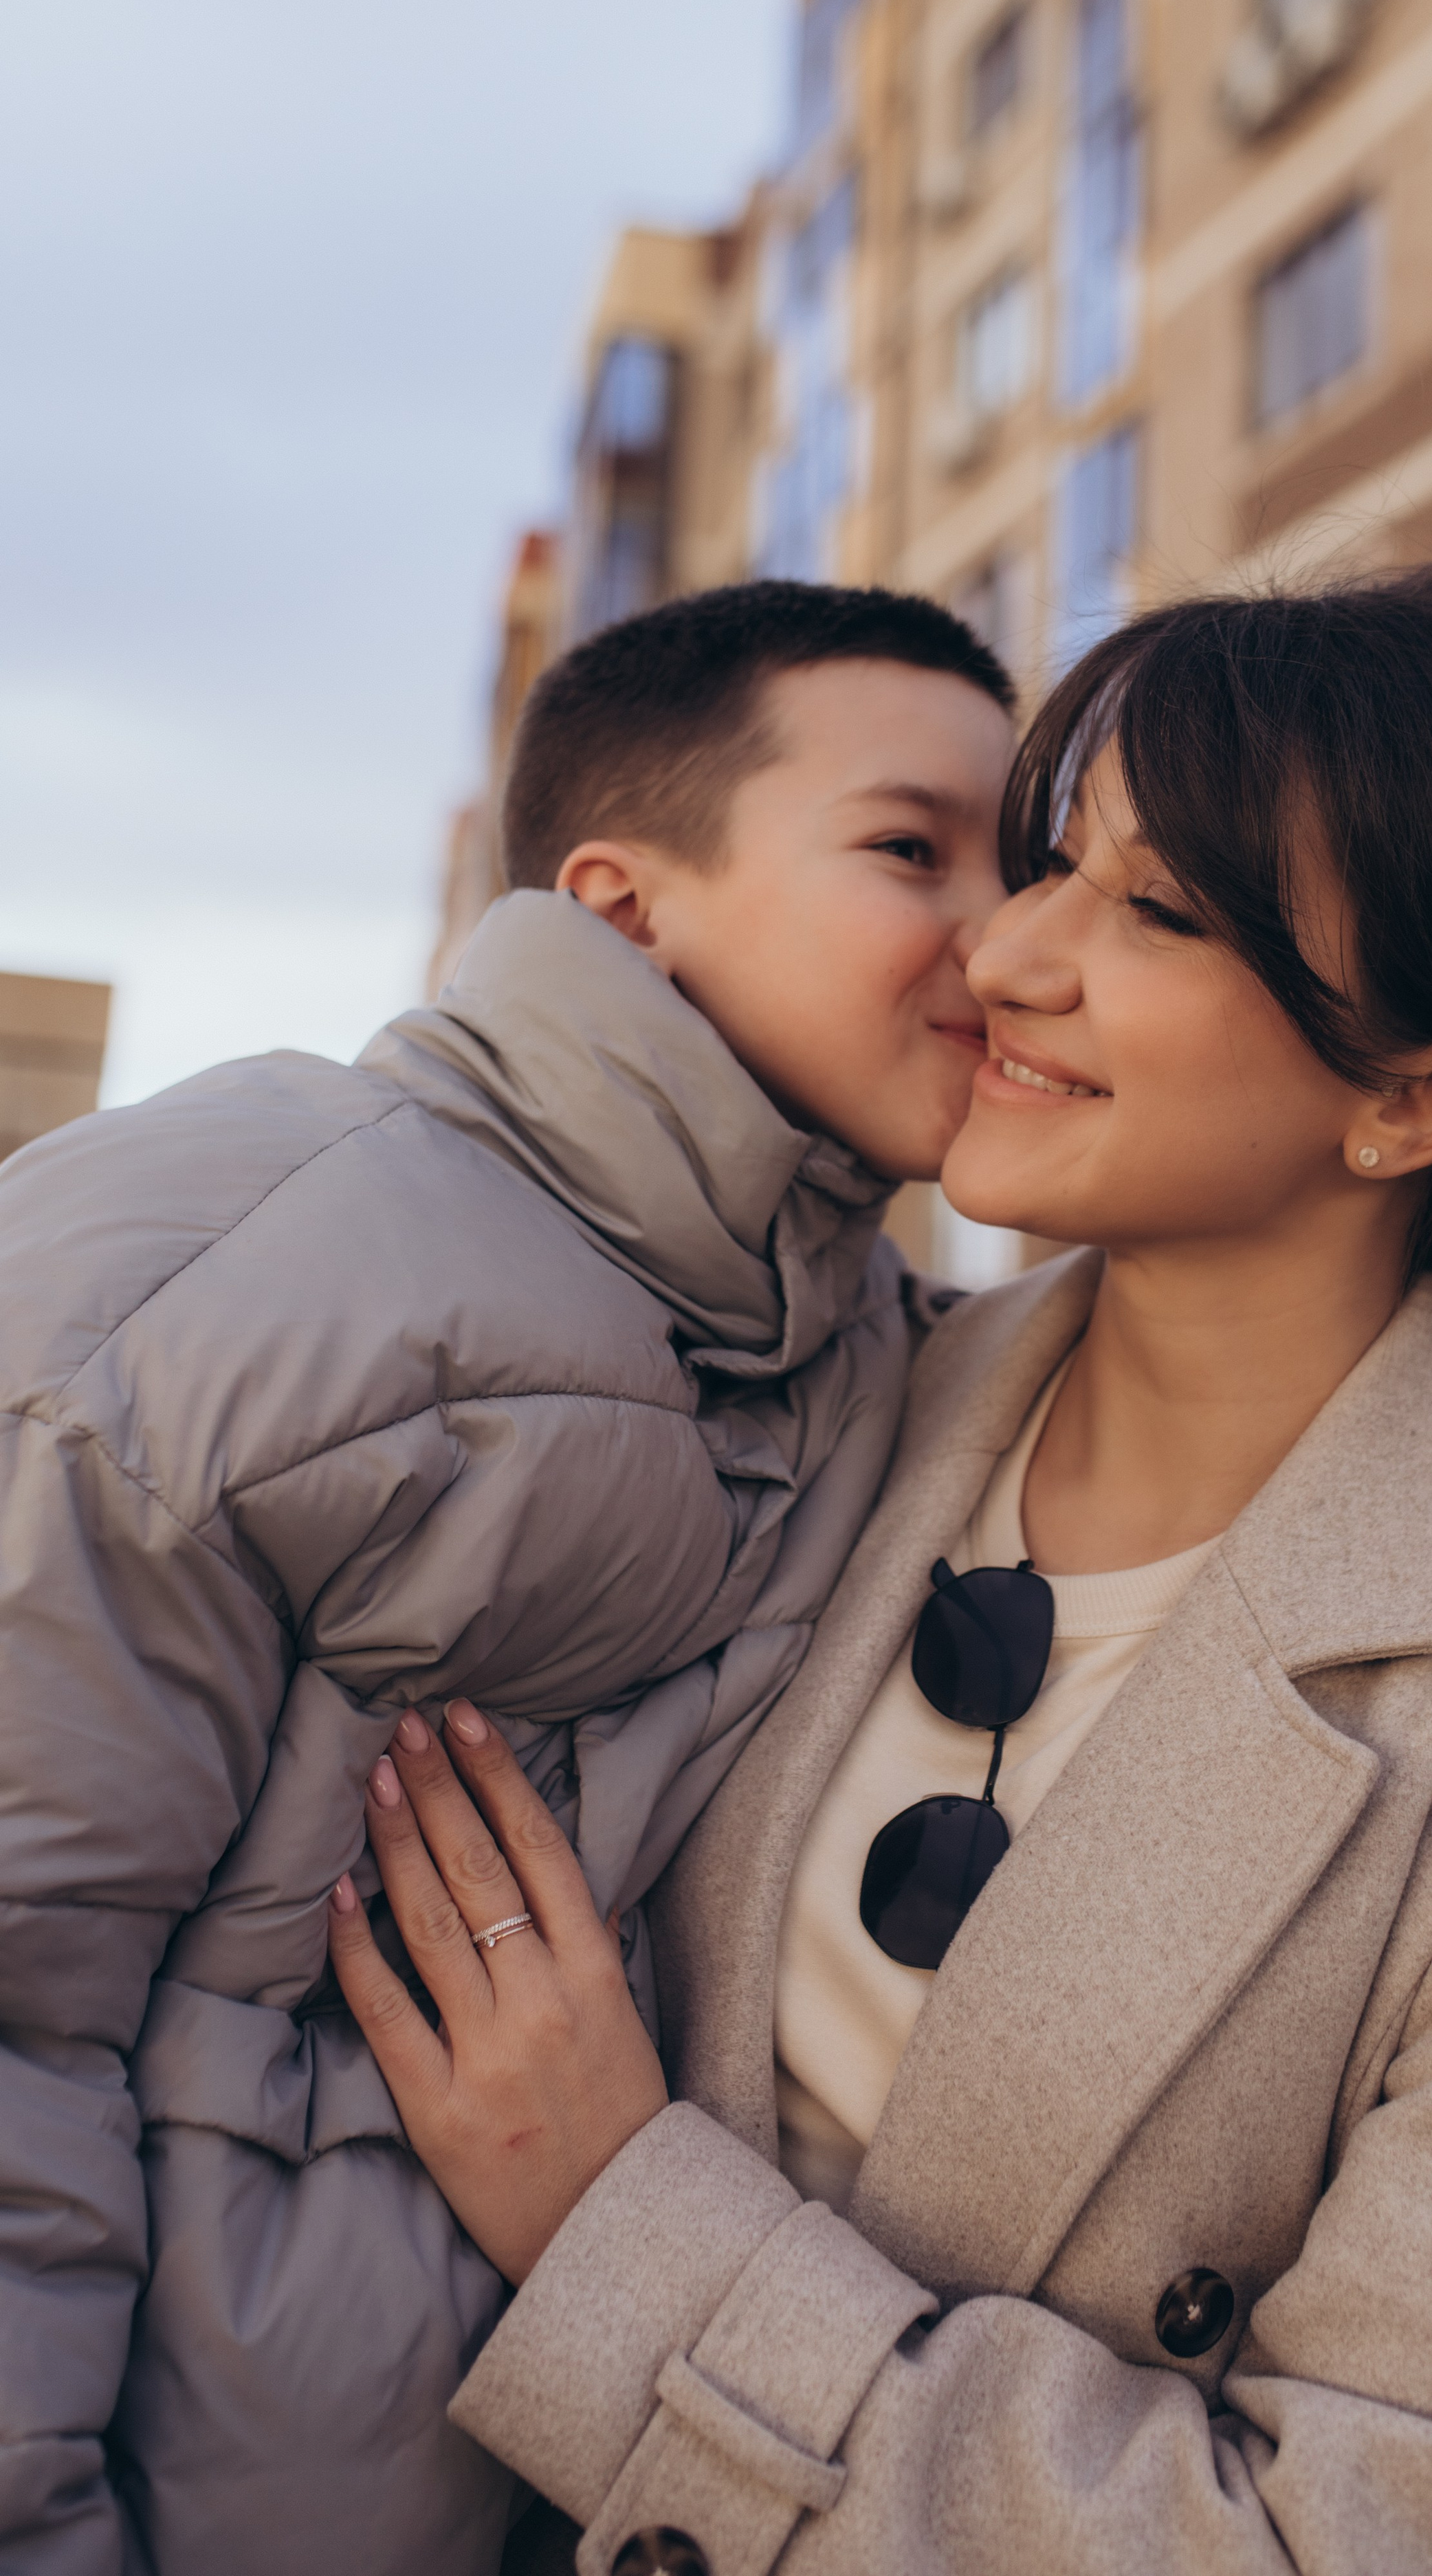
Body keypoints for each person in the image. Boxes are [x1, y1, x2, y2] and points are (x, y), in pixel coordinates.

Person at [335, 562, 1432, 2576]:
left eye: (1158, 916)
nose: (1006, 955)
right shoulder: (817, 1405)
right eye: (1049, 866)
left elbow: (1375, 2543)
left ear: (1413, 1098)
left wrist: (613, 2219)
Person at [0, 581, 1017, 2576]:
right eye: (916, 849)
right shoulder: (224, 1261)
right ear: (626, 906)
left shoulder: (885, 1356)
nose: (1018, 934)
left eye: (1038, 864)